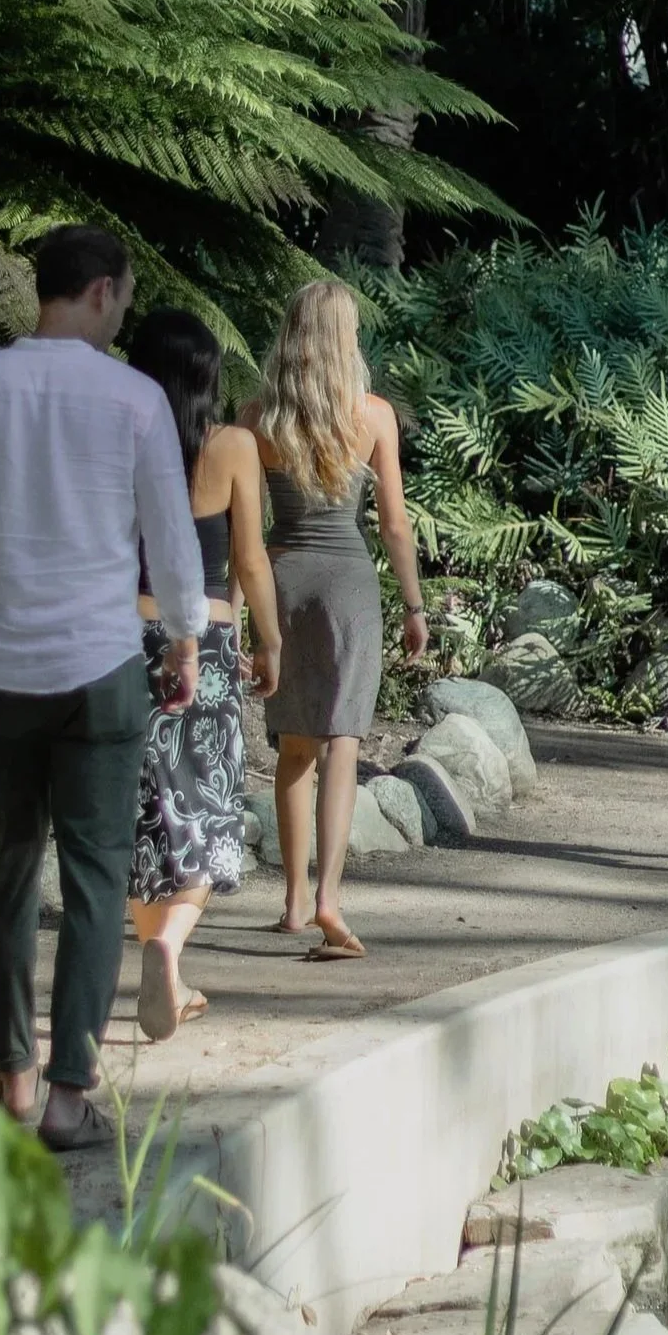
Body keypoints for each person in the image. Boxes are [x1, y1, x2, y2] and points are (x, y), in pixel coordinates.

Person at [0, 224, 205, 1152]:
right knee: (93, 878)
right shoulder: (134, 399)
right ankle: (72, 1090)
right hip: (102, 665)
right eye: (122, 296)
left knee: (2, 872)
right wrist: (187, 636)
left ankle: (11, 1070)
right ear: (104, 292)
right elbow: (168, 527)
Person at [244, 277, 429, 960]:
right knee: (341, 742)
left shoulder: (256, 416)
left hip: (284, 576)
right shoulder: (375, 414)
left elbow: (245, 531)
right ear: (344, 339)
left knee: (293, 747)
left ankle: (293, 902)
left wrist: (238, 612)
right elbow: (396, 526)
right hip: (349, 581)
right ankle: (328, 897)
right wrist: (414, 605)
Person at [124, 309, 282, 1040]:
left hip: (124, 633)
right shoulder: (233, 447)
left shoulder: (116, 439)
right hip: (208, 640)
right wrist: (270, 640)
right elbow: (249, 558)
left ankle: (166, 967)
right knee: (209, 808)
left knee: (138, 806)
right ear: (209, 376)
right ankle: (168, 947)